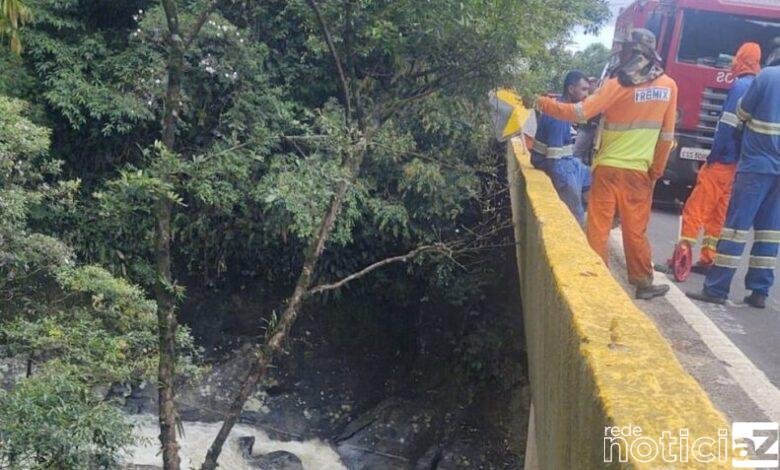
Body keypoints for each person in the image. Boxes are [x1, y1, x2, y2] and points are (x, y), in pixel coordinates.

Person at [536, 29, 678, 300]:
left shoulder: (616, 83)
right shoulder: (669, 86)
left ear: (629, 52)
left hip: (606, 169)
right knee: (635, 229)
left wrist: (542, 102)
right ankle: (643, 282)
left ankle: (595, 280)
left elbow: (579, 112)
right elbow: (667, 136)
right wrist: (656, 171)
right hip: (639, 172)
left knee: (598, 226)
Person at [687, 41, 780, 308]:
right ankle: (759, 291)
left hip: (756, 165)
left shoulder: (766, 77)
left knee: (736, 228)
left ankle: (716, 289)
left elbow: (742, 112)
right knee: (770, 231)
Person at [675, 43, 762, 273]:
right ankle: (709, 258)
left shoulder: (739, 86)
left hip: (723, 160)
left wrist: (713, 156)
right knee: (719, 213)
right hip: (738, 163)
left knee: (696, 207)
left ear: (741, 59)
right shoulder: (757, 87)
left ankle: (681, 256)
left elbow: (726, 126)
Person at [527, 70, 592, 226]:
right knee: (576, 214)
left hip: (566, 161)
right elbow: (554, 160)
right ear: (571, 89)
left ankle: (586, 208)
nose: (587, 95)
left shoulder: (562, 108)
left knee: (594, 176)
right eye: (583, 89)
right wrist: (563, 187)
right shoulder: (559, 115)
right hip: (556, 165)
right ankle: (577, 220)